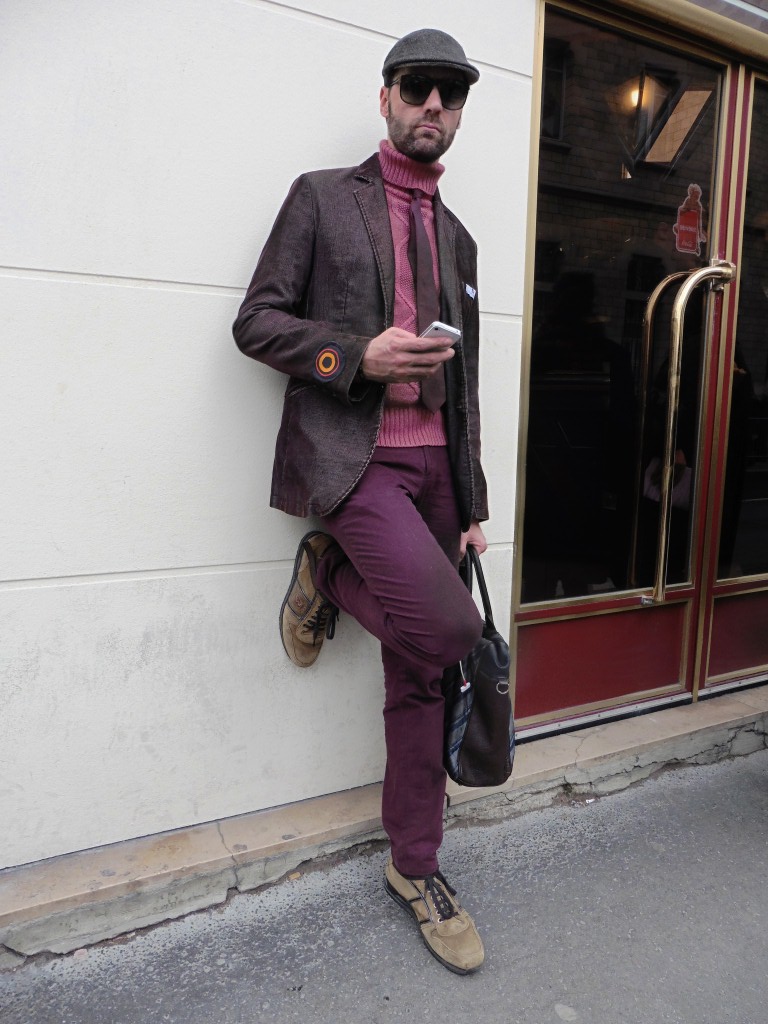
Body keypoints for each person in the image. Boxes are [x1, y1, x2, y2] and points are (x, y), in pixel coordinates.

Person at [233, 28, 489, 975]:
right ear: (386, 97)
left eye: (451, 94)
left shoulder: (461, 239)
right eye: (419, 88)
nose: (435, 106)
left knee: (423, 672)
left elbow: (468, 386)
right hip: (357, 459)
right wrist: (356, 356)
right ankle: (328, 570)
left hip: (437, 474)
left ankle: (415, 865)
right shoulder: (320, 197)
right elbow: (256, 322)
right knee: (451, 632)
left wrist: (473, 500)